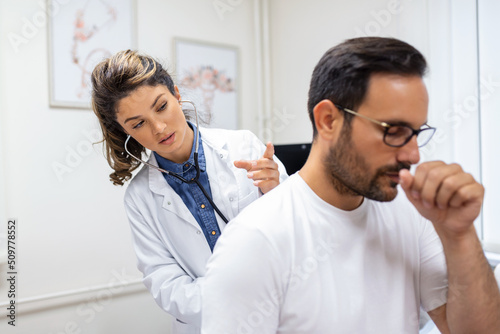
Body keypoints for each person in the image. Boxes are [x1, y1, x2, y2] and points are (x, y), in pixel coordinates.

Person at [201, 37, 500, 333]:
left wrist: (460, 234)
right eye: (393, 131)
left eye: (415, 132)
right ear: (328, 120)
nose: (413, 154)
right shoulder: (255, 241)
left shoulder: (412, 213)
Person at [91, 50, 288, 333]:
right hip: (210, 323)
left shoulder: (244, 146)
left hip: (280, 314)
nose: (159, 128)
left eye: (161, 107)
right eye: (138, 123)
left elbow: (299, 230)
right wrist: (232, 298)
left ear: (177, 94)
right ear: (124, 131)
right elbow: (165, 282)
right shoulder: (140, 198)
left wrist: (276, 191)